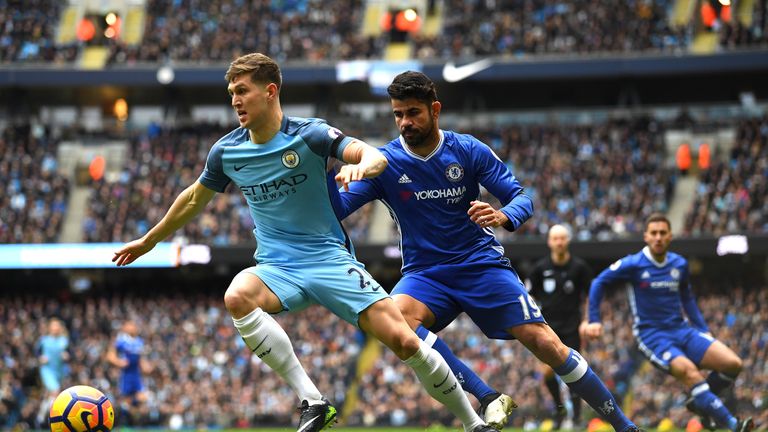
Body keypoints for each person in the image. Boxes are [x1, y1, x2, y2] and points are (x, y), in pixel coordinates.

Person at [113, 53, 498, 432]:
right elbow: (195, 197)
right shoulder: (227, 151)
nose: (235, 100)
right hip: (277, 267)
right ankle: (313, 401)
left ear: (270, 91)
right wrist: (149, 241)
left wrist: (364, 164)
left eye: (242, 90)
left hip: (330, 260)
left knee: (405, 342)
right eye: (231, 92)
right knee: (237, 295)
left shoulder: (309, 134)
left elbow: (371, 155)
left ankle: (473, 423)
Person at [333, 70, 640, 432]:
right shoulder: (383, 163)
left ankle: (624, 426)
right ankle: (488, 396)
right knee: (396, 320)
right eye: (398, 114)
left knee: (546, 344)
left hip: (480, 264)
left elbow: (521, 197)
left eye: (413, 112)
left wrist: (502, 215)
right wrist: (327, 172)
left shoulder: (467, 150)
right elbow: (336, 210)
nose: (404, 122)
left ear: (435, 110)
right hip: (425, 274)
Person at [585, 213, 754, 432]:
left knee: (733, 364)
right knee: (691, 372)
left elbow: (688, 299)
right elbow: (599, 282)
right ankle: (734, 424)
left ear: (670, 236)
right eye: (653, 233)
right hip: (652, 336)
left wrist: (703, 330)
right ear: (646, 236)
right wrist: (594, 319)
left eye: (662, 233)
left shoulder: (679, 264)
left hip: (682, 331)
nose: (658, 237)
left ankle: (700, 400)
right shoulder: (633, 264)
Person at [526, 224, 592, 429]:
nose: (559, 242)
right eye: (555, 239)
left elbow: (590, 296)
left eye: (562, 238)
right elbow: (528, 296)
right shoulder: (539, 268)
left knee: (573, 373)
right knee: (546, 373)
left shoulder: (579, 267)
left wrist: (587, 320)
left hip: (572, 328)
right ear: (549, 242)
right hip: (547, 329)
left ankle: (578, 416)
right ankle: (559, 410)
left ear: (568, 240)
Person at [106, 320, 150, 425]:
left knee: (142, 398)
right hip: (125, 374)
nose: (133, 327)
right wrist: (118, 362)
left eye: (134, 325)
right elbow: (110, 355)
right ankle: (125, 422)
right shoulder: (121, 340)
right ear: (125, 327)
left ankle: (135, 420)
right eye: (130, 325)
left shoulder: (139, 341)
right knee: (126, 400)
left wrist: (145, 366)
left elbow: (140, 359)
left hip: (136, 374)